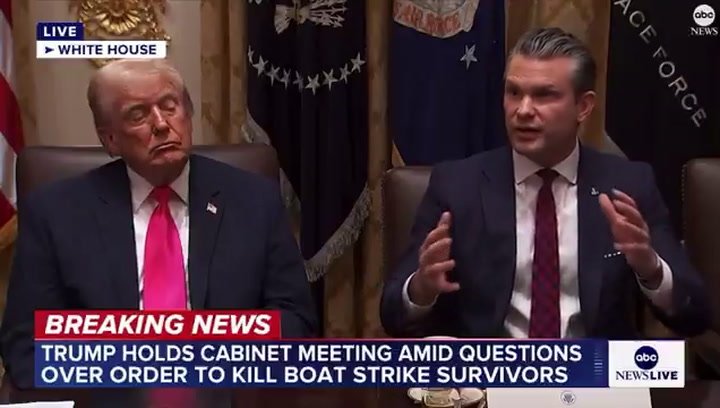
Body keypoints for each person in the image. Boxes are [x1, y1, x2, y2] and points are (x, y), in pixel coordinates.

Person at [0, 59, 317, 388]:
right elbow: (27, 343)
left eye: (170, 106)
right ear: (110, 139)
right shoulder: (55, 213)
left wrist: (216, 367)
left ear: (188, 115)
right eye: (138, 115)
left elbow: (295, 319)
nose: (162, 124)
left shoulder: (254, 199)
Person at [380, 27, 710, 339]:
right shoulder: (456, 186)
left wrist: (651, 269)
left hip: (592, 370)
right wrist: (420, 289)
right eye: (514, 93)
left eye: (544, 95)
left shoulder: (628, 185)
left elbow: (694, 315)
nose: (523, 110)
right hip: (492, 372)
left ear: (583, 107)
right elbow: (393, 314)